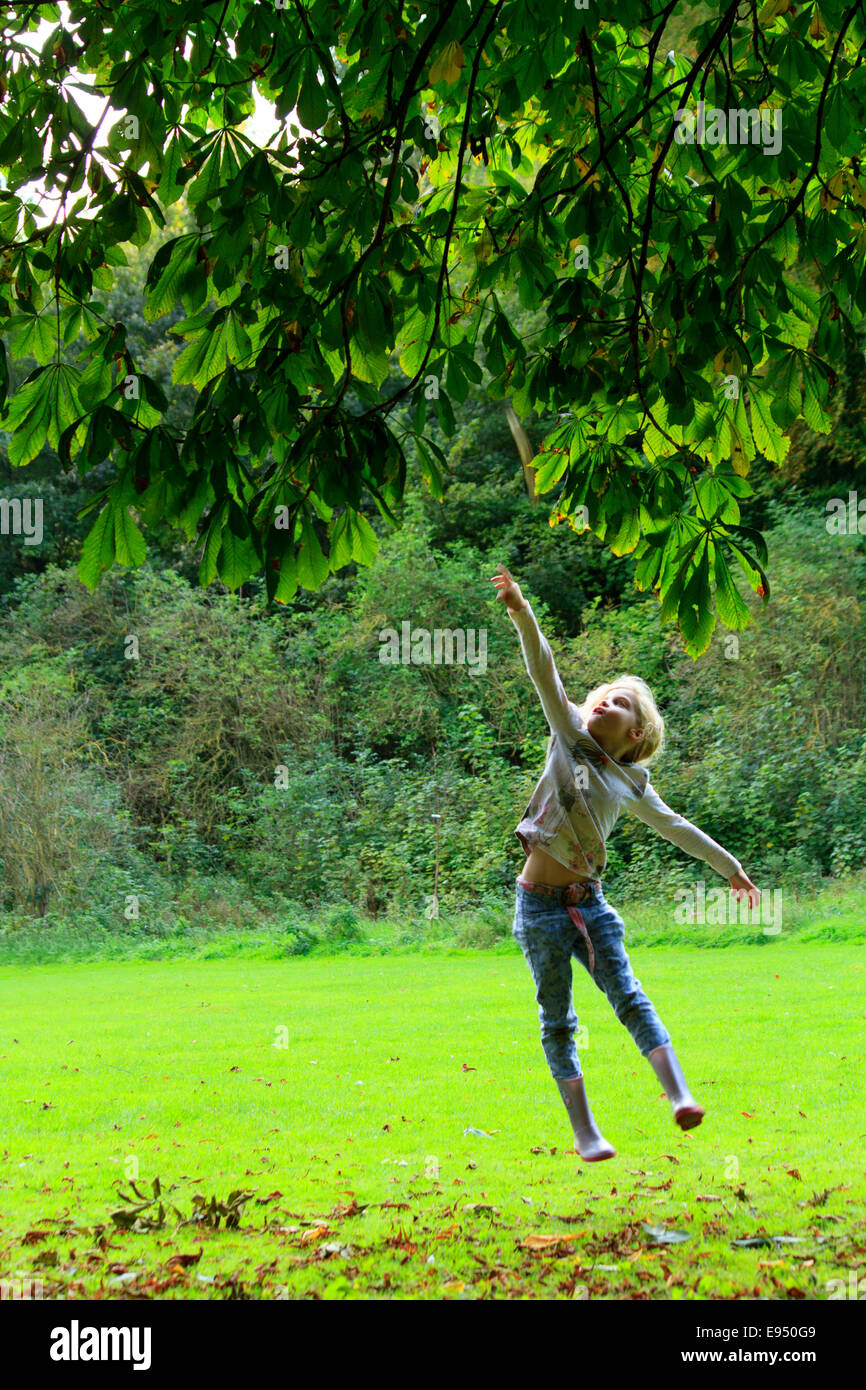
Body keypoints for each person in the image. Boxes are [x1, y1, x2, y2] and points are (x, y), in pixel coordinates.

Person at [492, 563, 760, 1162]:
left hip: (590, 906)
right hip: (536, 910)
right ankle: (585, 1131)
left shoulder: (631, 783)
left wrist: (728, 866)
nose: (601, 703)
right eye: (598, 697)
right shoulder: (568, 735)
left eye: (618, 703)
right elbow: (544, 669)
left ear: (636, 735)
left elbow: (677, 828)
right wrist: (521, 611)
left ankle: (680, 1096)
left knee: (629, 998)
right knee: (556, 1018)